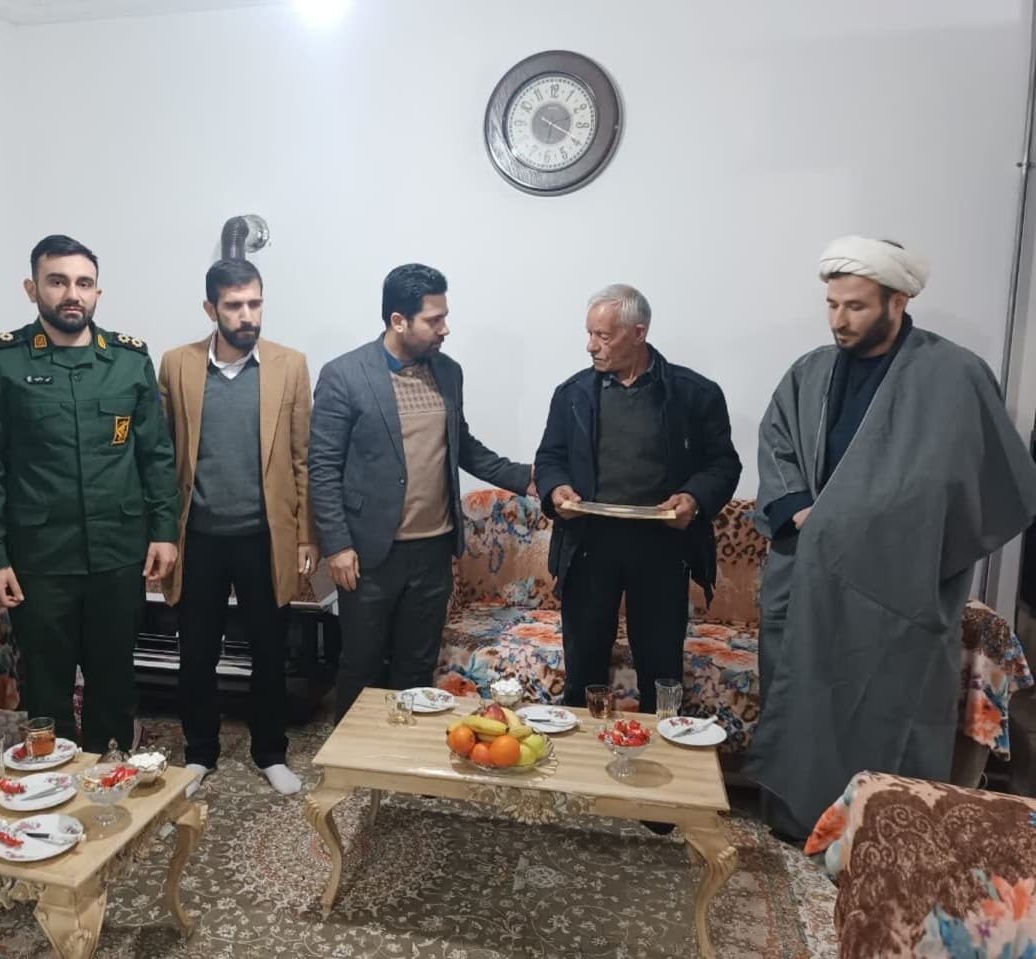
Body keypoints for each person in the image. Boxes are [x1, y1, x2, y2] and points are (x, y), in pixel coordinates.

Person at [747, 235, 1036, 840]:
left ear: (897, 303)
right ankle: (796, 823)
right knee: (802, 703)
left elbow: (977, 481)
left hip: (894, 588)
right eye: (832, 304)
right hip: (807, 578)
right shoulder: (810, 371)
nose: (838, 320)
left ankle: (883, 835)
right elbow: (777, 445)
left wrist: (879, 530)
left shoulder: (954, 375)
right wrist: (801, 510)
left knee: (886, 710)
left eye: (855, 306)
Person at [0, 234, 179, 754]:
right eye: (57, 281)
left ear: (98, 292)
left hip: (118, 552)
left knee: (114, 677)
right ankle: (52, 780)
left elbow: (155, 455)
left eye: (84, 283)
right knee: (46, 685)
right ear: (32, 288)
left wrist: (164, 531)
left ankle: (110, 774)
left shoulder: (129, 360)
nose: (72, 294)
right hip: (40, 558)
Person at [309, 263, 532, 723]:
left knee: (416, 667)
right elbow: (323, 468)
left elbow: (464, 446)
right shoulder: (344, 375)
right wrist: (338, 546)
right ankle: (357, 756)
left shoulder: (447, 372)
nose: (445, 328)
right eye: (434, 319)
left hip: (433, 551)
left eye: (444, 316)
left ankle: (408, 754)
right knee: (362, 665)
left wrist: (528, 478)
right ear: (399, 320)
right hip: (370, 555)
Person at [534, 284, 741, 714]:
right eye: (589, 334)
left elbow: (723, 464)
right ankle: (583, 751)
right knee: (584, 668)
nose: (591, 346)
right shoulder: (572, 394)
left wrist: (693, 498)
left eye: (603, 336)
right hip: (588, 546)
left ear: (639, 333)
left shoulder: (693, 393)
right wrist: (556, 489)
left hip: (661, 547)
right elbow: (550, 458)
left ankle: (660, 748)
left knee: (661, 669)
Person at [157, 259, 317, 797]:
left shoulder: (290, 365)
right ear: (211, 309)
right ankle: (199, 753)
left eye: (255, 303)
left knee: (269, 652)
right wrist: (160, 534)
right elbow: (163, 456)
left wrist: (307, 536)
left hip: (265, 537)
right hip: (198, 537)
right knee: (196, 654)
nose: (248, 315)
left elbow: (302, 458)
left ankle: (270, 752)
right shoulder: (176, 365)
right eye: (234, 305)